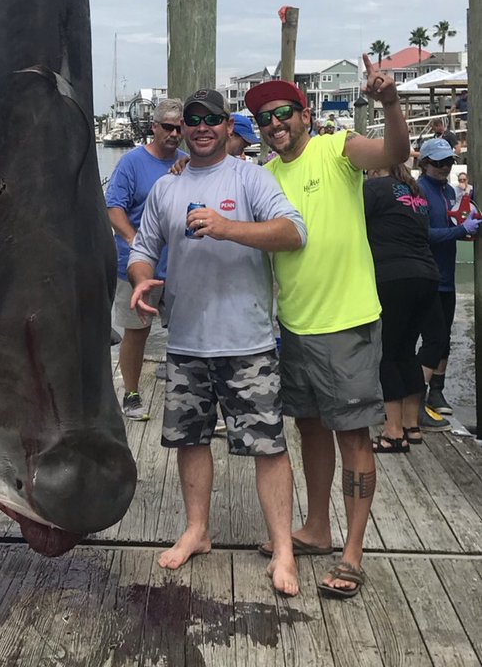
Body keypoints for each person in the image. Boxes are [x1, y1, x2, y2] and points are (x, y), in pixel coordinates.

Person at [128, 89, 307, 596]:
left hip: (248, 341)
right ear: (180, 127)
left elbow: (294, 232)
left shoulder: (252, 177)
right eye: (192, 119)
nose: (201, 126)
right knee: (190, 441)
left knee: (268, 446)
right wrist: (142, 278)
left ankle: (284, 550)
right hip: (185, 341)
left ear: (228, 126)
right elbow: (143, 249)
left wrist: (230, 228)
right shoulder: (167, 187)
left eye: (211, 119)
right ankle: (197, 529)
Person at [245, 53, 410, 601]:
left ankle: (353, 552)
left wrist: (388, 103)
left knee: (352, 436)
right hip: (293, 327)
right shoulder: (262, 178)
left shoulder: (336, 150)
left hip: (347, 325)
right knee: (309, 429)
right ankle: (316, 529)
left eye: (285, 112)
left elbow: (393, 152)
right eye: (265, 118)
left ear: (305, 115)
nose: (276, 124)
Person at [106, 99, 186, 420]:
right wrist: (133, 240)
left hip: (178, 267)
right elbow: (114, 208)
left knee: (185, 331)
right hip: (137, 268)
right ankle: (131, 392)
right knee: (136, 331)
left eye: (180, 128)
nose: (174, 133)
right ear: (154, 127)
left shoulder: (187, 162)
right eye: (167, 127)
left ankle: (183, 385)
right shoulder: (131, 163)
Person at [363, 164, 442, 450]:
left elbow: (349, 223)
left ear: (378, 165)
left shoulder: (372, 189)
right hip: (427, 276)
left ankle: (393, 432)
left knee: (386, 352)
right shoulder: (414, 190)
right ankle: (412, 427)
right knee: (407, 351)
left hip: (393, 276)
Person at [417, 138, 481, 415]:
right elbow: (424, 233)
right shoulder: (419, 191)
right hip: (427, 276)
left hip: (447, 277)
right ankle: (414, 398)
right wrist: (460, 230)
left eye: (448, 162)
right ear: (424, 164)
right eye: (438, 163)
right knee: (432, 338)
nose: (444, 167)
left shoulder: (448, 191)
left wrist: (467, 225)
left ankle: (437, 392)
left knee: (445, 339)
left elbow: (453, 223)